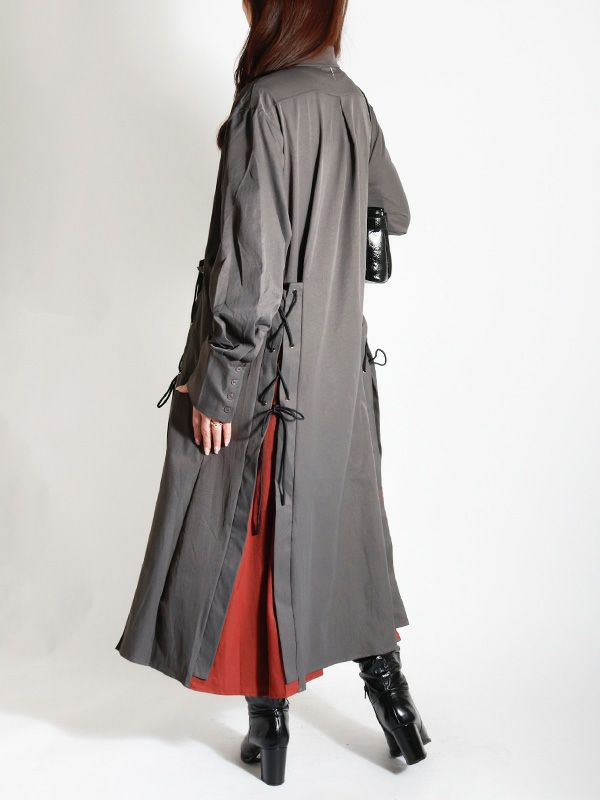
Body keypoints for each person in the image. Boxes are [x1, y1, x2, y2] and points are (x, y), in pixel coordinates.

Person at [116, 0, 430, 786]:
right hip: (338, 373)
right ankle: (397, 712)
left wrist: (218, 384)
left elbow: (251, 272)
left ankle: (271, 730)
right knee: (345, 538)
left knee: (250, 536)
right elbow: (394, 210)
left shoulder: (265, 103)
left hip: (266, 374)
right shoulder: (348, 98)